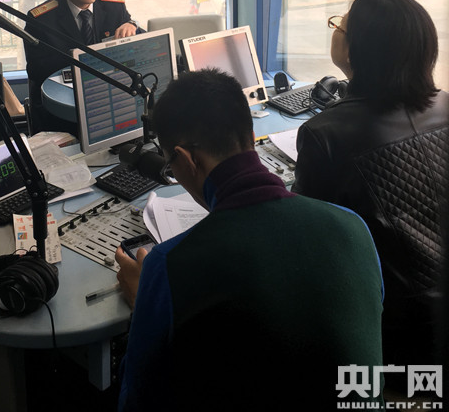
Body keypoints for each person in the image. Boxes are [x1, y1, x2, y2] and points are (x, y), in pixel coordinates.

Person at [115, 69, 384, 412]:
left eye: (171, 165)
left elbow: (136, 401)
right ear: (251, 134)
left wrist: (144, 301)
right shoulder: (352, 227)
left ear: (186, 159)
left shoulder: (169, 265)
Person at [292, 0, 449, 383]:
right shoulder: (446, 105)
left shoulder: (325, 135)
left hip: (396, 344)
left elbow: (302, 238)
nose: (335, 30)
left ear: (355, 51)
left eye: (339, 26)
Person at [24, 0, 140, 133]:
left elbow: (138, 43)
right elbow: (37, 71)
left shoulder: (114, 8)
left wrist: (132, 24)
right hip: (64, 107)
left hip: (108, 99)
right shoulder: (42, 19)